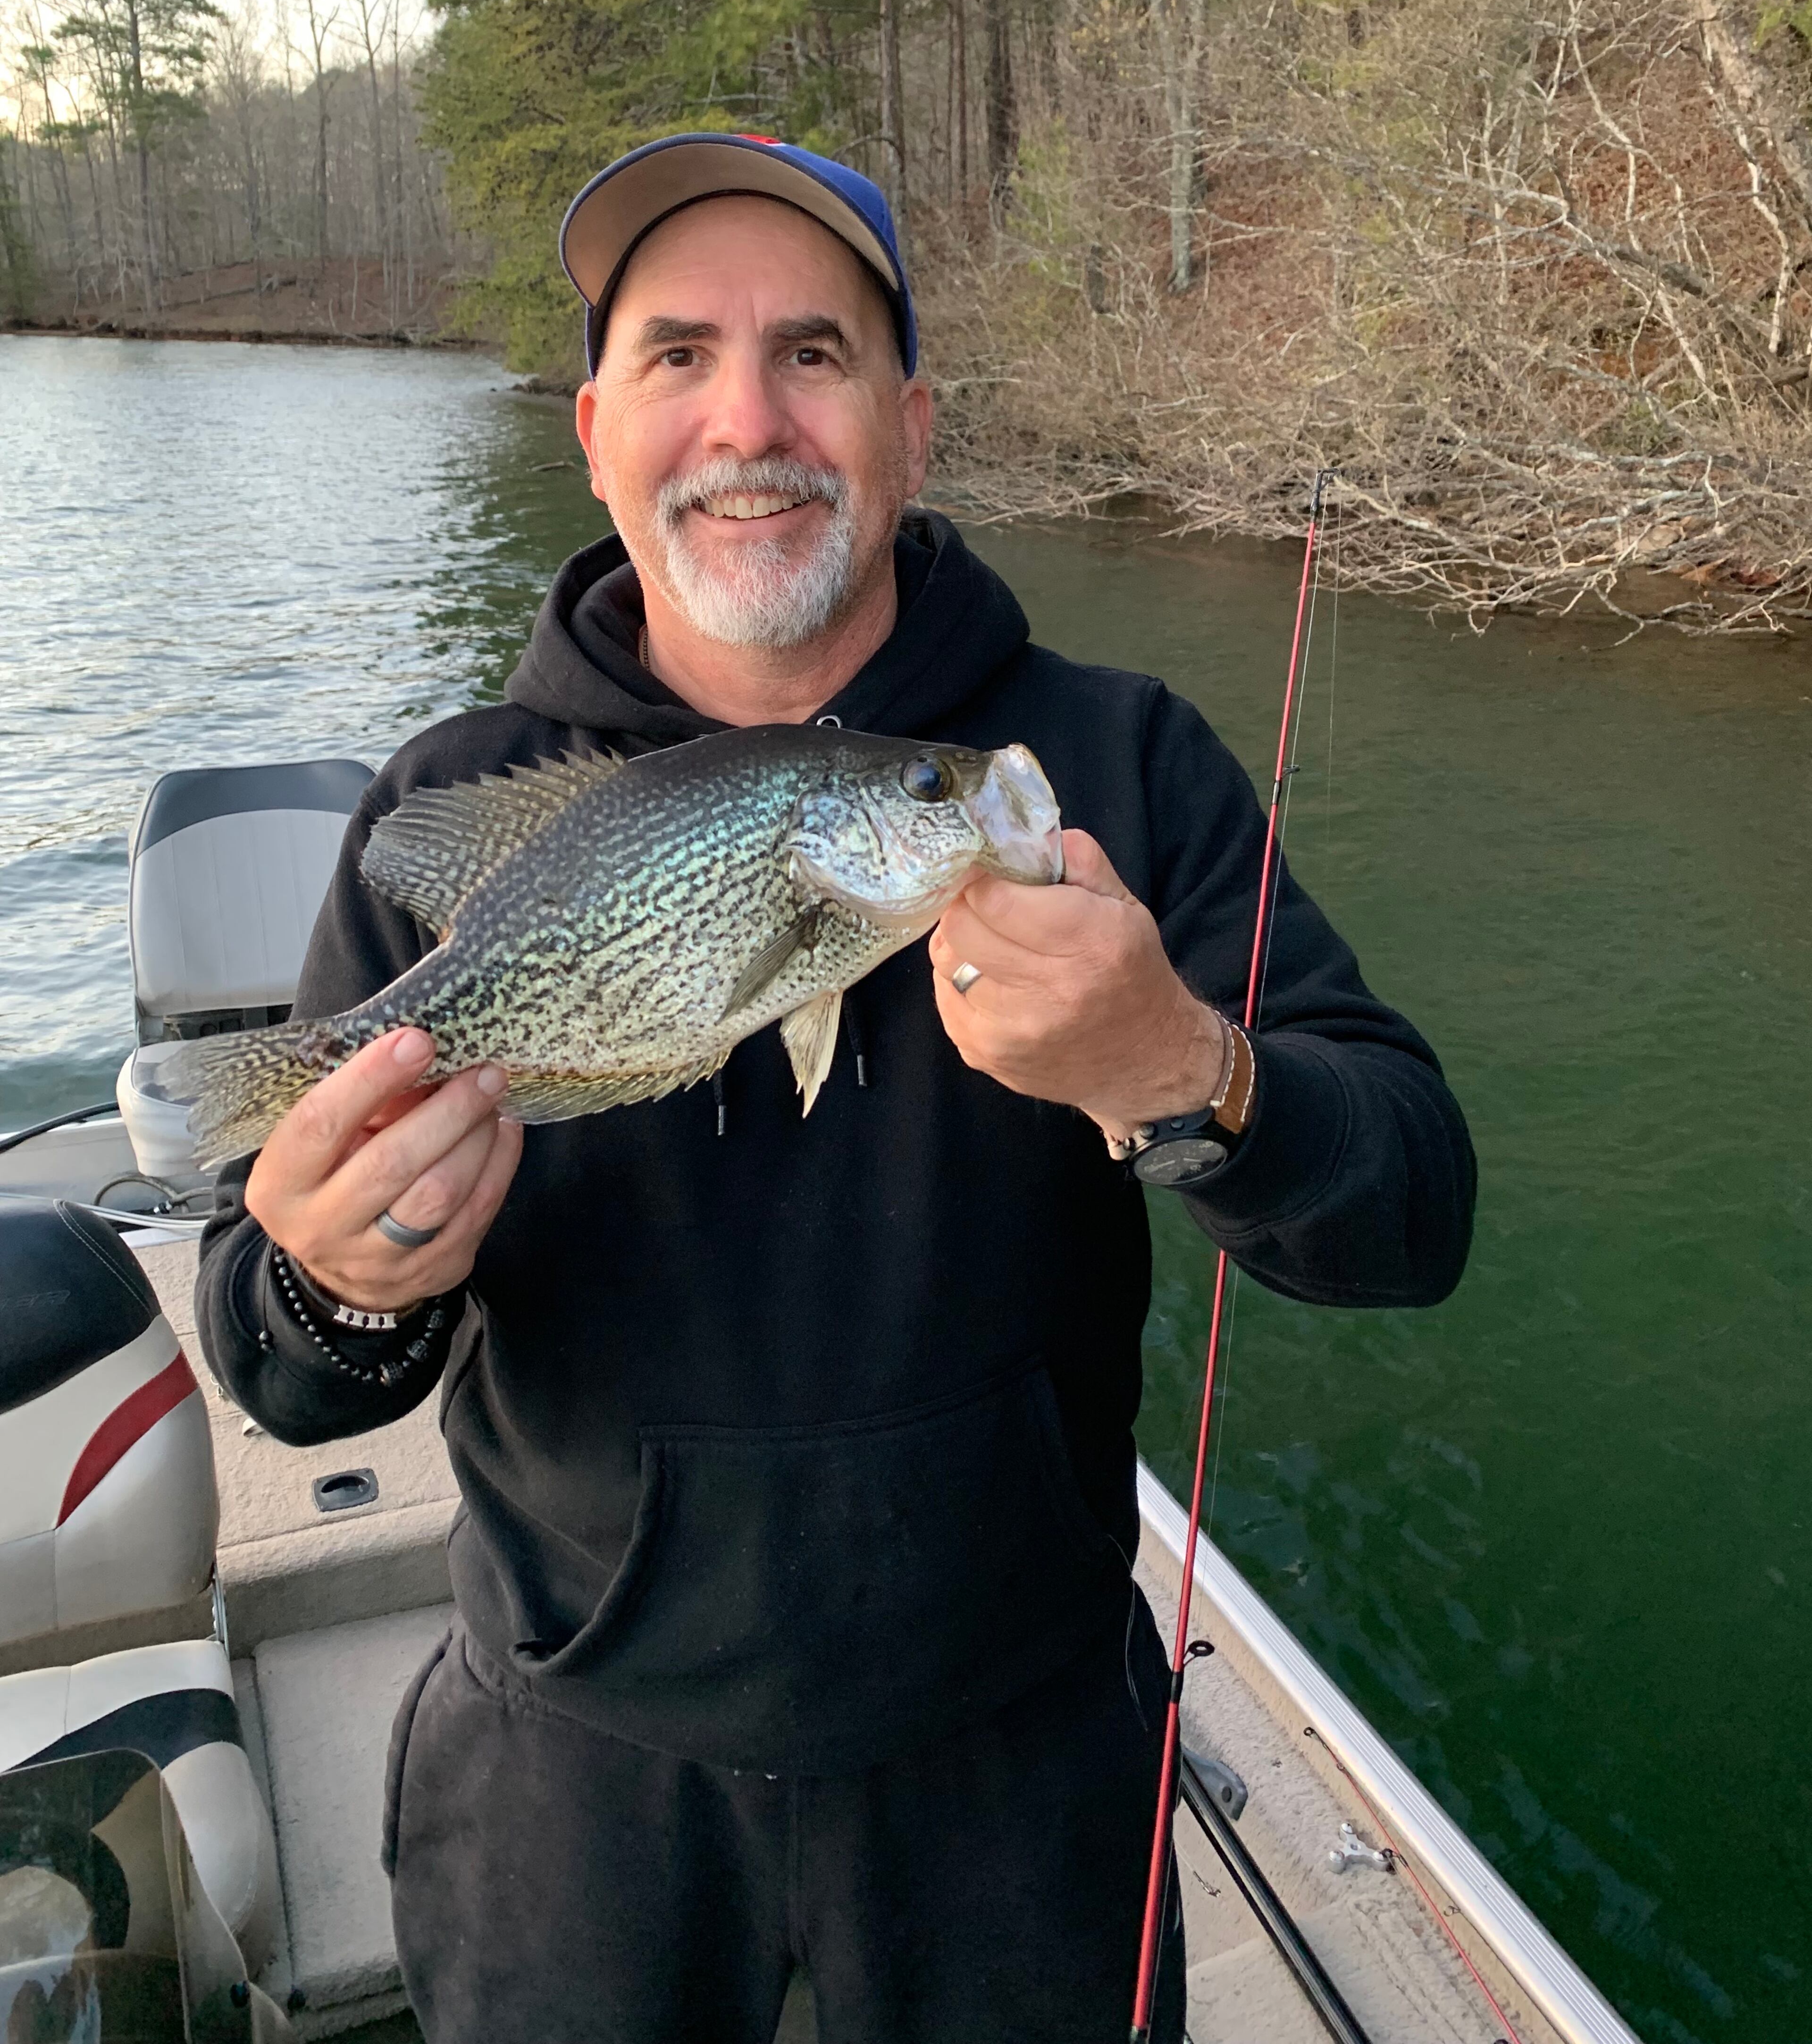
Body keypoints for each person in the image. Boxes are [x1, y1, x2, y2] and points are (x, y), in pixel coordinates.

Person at [197, 134, 1475, 2044]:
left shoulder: (1110, 761)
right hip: (575, 1782)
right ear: (599, 428)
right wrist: (342, 1268)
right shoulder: (449, 803)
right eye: (680, 355)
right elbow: (286, 1366)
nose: (749, 418)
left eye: (813, 353)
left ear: (911, 423)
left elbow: (1410, 1212)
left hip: (1016, 1782)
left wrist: (1184, 1074)